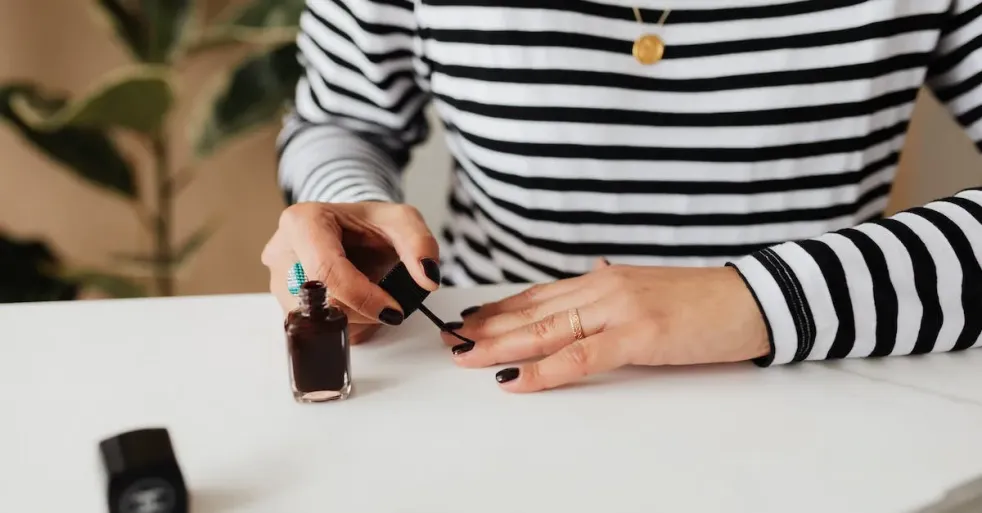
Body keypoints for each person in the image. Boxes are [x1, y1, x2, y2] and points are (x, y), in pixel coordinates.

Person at [262, 0, 982, 393]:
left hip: (833, 375)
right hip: (480, 373)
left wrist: (762, 298)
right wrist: (345, 212)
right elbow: (341, 121)